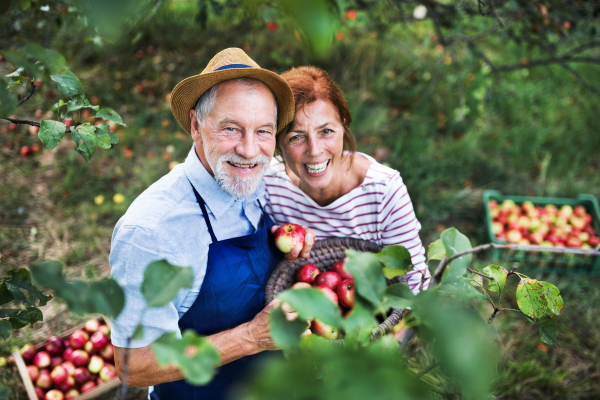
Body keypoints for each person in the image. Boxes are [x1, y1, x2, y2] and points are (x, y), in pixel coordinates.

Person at [109, 48, 314, 400]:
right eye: (231, 128)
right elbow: (135, 365)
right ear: (195, 126)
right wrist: (251, 337)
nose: (250, 151)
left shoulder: (259, 179)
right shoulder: (151, 232)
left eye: (263, 131)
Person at [264, 66, 431, 294]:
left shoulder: (383, 192)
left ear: (342, 124)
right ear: (278, 140)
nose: (314, 150)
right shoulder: (268, 185)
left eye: (326, 131)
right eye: (296, 137)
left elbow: (413, 284)